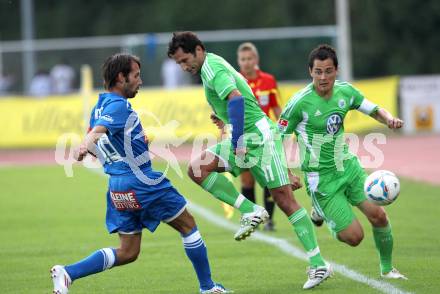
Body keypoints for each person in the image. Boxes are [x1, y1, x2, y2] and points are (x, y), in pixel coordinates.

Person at [50, 53, 231, 294]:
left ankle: (68, 273)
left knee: (128, 252)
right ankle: (208, 287)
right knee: (188, 225)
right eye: (135, 76)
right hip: (142, 181)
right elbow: (96, 134)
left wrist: (130, 143)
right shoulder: (118, 105)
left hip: (117, 186)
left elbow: (101, 140)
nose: (140, 81)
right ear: (120, 78)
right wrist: (84, 145)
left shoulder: (99, 106)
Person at [168, 31, 332, 289]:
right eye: (178, 63)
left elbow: (236, 98)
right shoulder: (210, 66)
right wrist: (225, 121)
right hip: (246, 133)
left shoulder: (211, 68)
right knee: (198, 168)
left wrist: (238, 141)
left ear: (198, 50)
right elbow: (236, 98)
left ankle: (318, 264)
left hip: (259, 137)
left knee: (284, 199)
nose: (183, 65)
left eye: (185, 59)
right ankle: (251, 210)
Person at [278, 44, 407, 280]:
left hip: (348, 167)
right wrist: (286, 171)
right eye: (318, 71)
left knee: (379, 216)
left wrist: (389, 119)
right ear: (310, 72)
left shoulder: (346, 92)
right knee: (355, 238)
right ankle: (322, 212)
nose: (323, 77)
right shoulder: (300, 103)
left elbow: (374, 109)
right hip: (322, 180)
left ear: (337, 70)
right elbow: (279, 138)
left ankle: (388, 269)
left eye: (328, 71)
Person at [236, 42, 282, 231]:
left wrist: (284, 132)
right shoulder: (235, 80)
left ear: (256, 60)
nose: (246, 63)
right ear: (239, 62)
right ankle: (252, 218)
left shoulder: (269, 81)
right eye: (243, 59)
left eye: (250, 59)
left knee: (269, 178)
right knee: (247, 180)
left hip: (265, 138)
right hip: (244, 138)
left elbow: (278, 108)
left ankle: (269, 219)